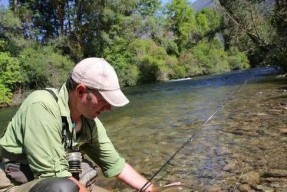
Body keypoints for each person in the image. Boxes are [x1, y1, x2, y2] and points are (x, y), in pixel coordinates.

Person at [0, 58, 157, 192]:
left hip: (63, 181)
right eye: (105, 100)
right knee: (61, 188)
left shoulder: (90, 121)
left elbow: (116, 164)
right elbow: (54, 177)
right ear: (81, 91)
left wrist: (149, 188)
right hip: (17, 183)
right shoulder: (41, 105)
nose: (109, 108)